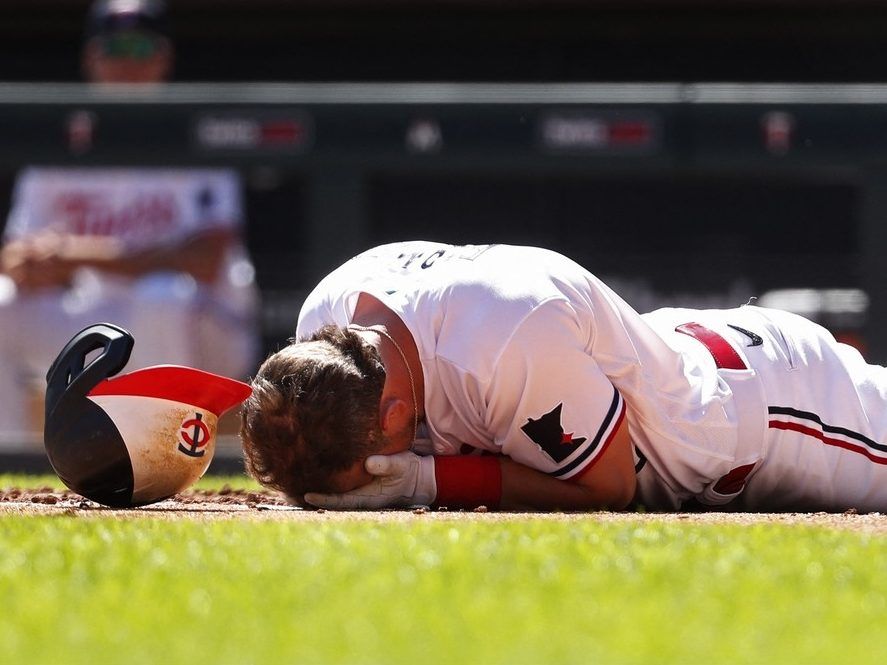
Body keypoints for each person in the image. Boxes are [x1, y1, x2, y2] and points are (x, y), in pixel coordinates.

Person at [240, 241, 887, 512]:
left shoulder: (500, 344)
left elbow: (605, 484)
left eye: (372, 470)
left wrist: (424, 478)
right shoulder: (327, 312)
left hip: (771, 411)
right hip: (671, 362)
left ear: (391, 419)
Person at [0, 0, 259, 436]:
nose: (127, 62)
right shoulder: (61, 143)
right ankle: (8, 461)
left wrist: (75, 253)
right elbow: (15, 255)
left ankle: (169, 455)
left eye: (141, 49)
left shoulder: (193, 134)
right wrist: (38, 265)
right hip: (99, 313)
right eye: (115, 48)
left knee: (162, 295)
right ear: (91, 57)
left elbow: (206, 260)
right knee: (2, 302)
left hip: (207, 326)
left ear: (164, 57)